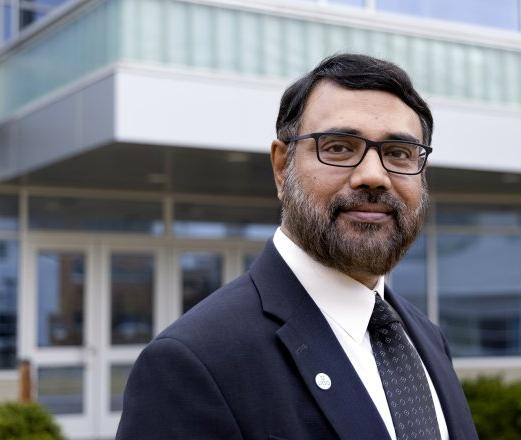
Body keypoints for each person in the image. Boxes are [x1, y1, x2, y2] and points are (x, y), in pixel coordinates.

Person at [116, 53, 478, 440]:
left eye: (399, 153)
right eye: (339, 147)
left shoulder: (424, 336)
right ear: (281, 166)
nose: (373, 176)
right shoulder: (194, 362)